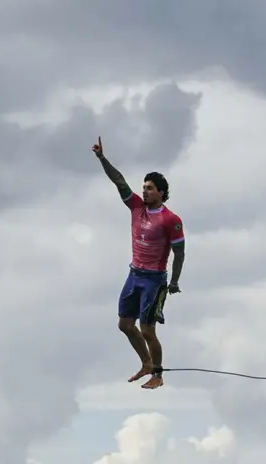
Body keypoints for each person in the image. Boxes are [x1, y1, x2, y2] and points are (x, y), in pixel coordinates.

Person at [92, 136, 185, 390]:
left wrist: (174, 281)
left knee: (147, 330)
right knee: (124, 325)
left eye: (150, 188)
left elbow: (180, 253)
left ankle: (158, 374)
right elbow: (119, 180)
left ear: (161, 193)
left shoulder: (171, 219)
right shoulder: (136, 207)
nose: (144, 191)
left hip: (154, 280)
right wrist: (102, 158)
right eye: (144, 187)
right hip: (134, 274)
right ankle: (145, 362)